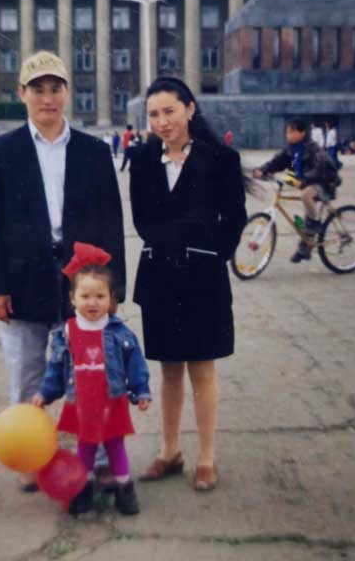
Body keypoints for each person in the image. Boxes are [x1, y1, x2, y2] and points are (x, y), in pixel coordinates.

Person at [0, 50, 125, 491]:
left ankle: (96, 457)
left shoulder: (94, 151)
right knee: (26, 375)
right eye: (37, 90)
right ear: (22, 94)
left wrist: (111, 286)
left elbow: (111, 221)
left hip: (82, 284)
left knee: (89, 375)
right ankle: (32, 457)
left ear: (67, 93)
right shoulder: (3, 152)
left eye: (55, 89)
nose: (47, 99)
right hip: (21, 282)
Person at [129, 76, 247, 492]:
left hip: (203, 279)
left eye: (169, 111)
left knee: (202, 370)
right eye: (154, 114)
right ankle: (170, 450)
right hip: (159, 277)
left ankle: (207, 457)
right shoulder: (141, 160)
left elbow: (234, 221)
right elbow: (142, 220)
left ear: (190, 109)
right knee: (169, 372)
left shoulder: (221, 160)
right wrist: (185, 234)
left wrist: (210, 252)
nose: (162, 121)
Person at [32, 242, 150, 515]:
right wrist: (45, 393)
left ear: (111, 299)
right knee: (84, 449)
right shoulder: (66, 333)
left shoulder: (120, 332)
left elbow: (135, 363)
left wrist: (141, 390)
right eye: (85, 296)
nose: (93, 302)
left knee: (115, 447)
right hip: (82, 404)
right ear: (72, 298)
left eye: (100, 296)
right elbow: (55, 369)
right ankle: (81, 489)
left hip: (112, 402)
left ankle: (124, 490)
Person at [253, 118, 339, 263]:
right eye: (287, 132)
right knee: (306, 214)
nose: (288, 135)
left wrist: (304, 180)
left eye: (292, 132)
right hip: (308, 181)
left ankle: (315, 223)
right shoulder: (290, 148)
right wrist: (262, 170)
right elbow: (277, 162)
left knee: (306, 196)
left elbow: (321, 168)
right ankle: (305, 249)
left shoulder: (312, 147)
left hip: (326, 180)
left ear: (302, 133)